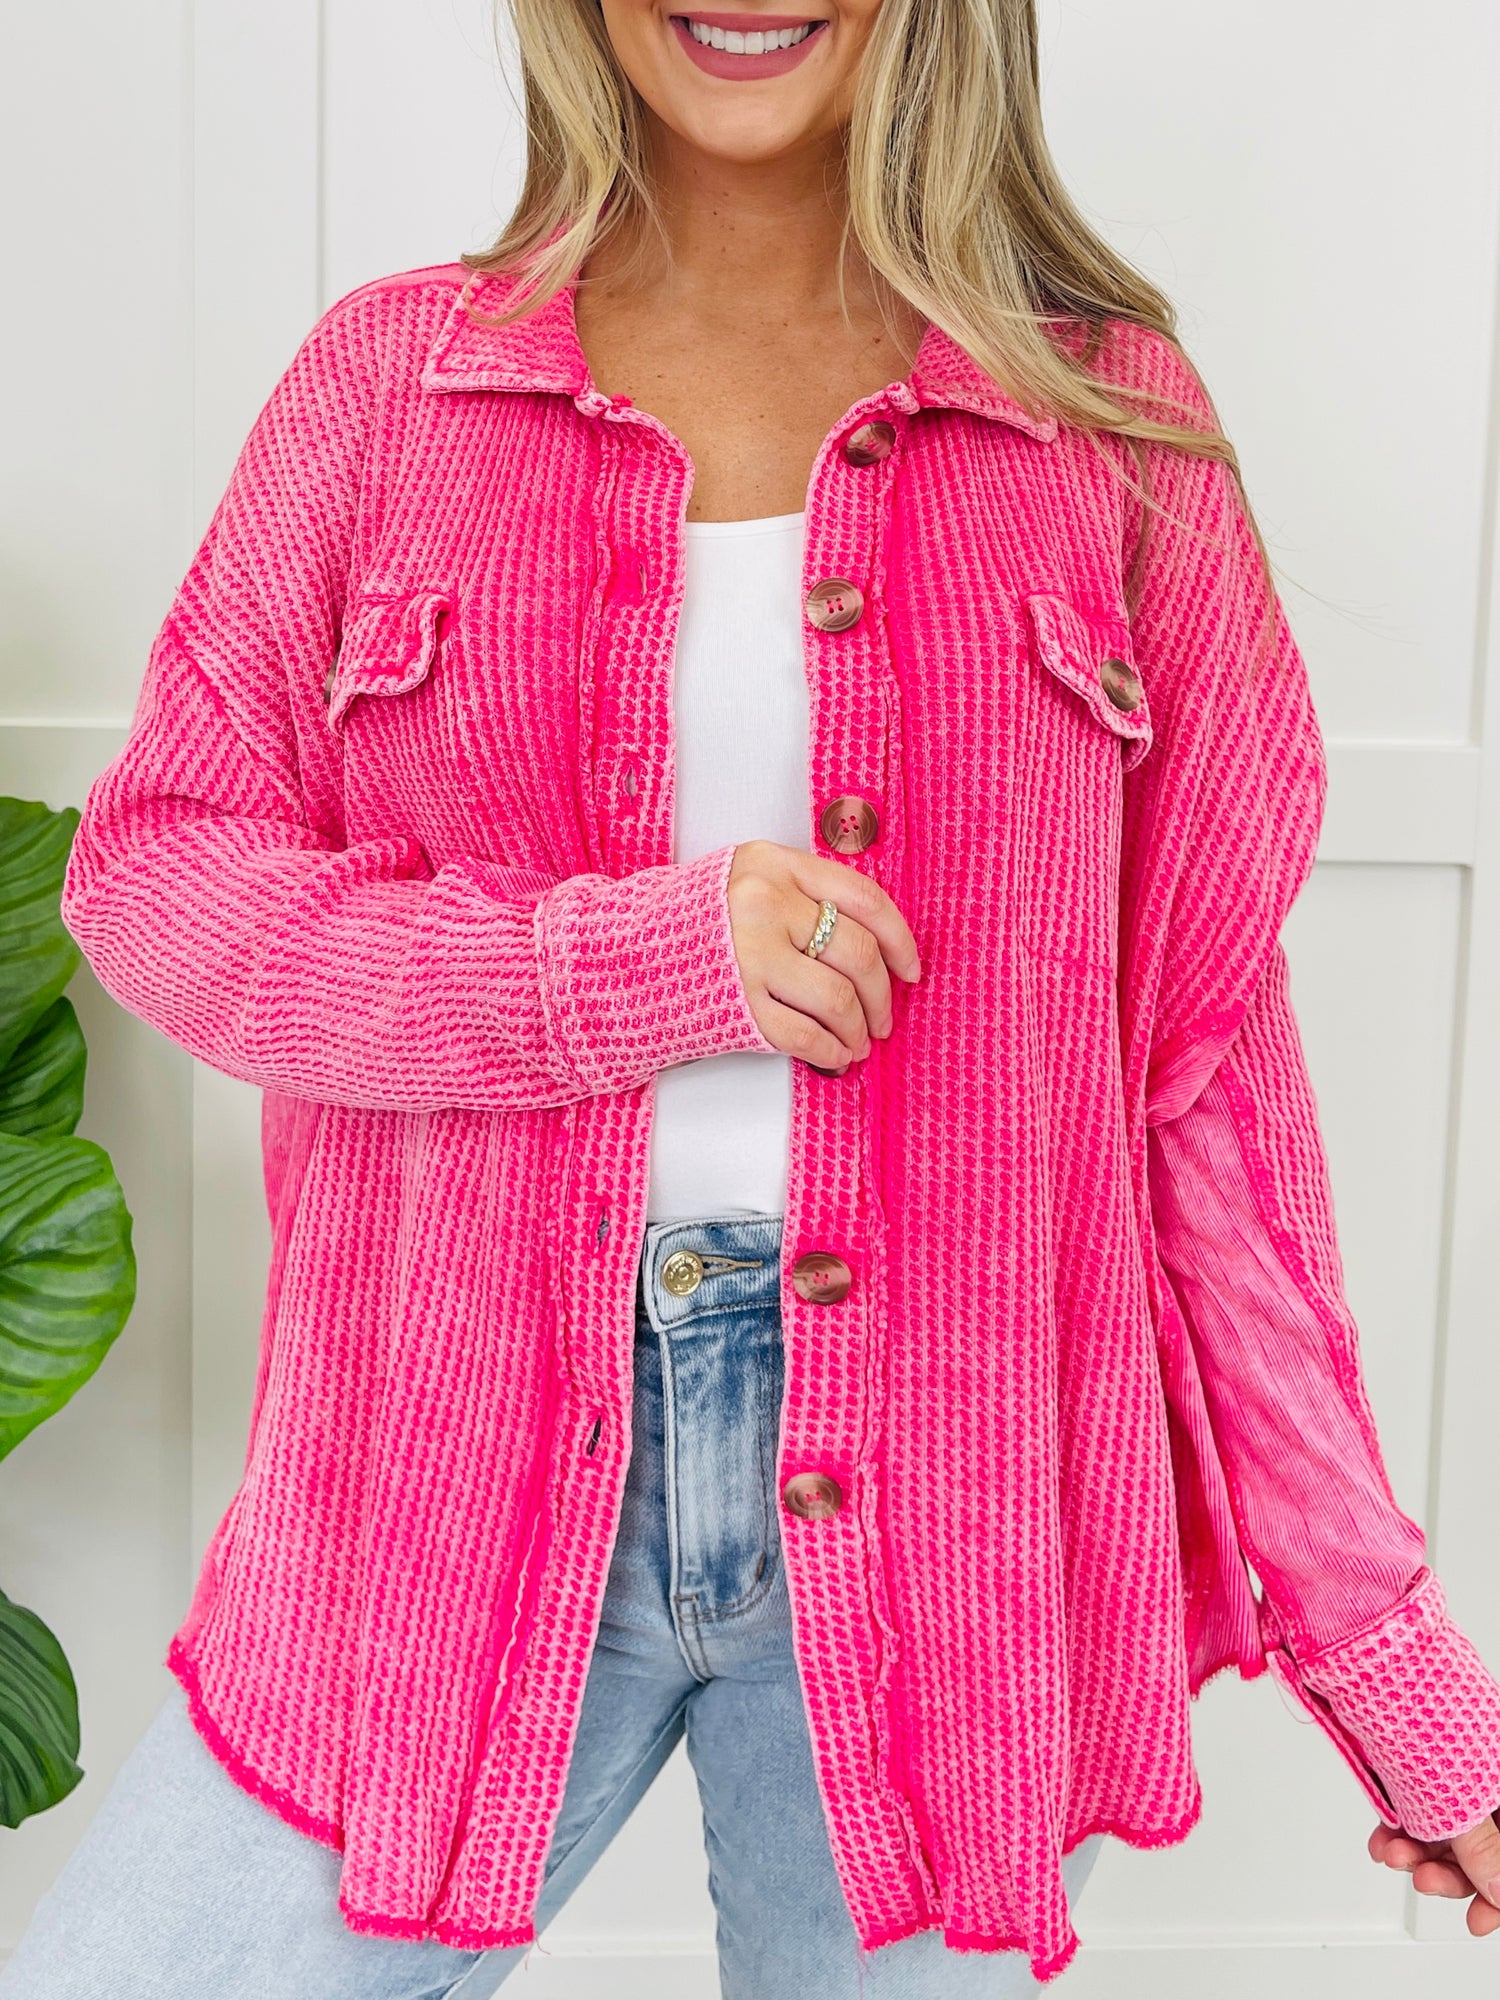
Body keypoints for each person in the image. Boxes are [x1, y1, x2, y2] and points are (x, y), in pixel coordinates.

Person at [8, 1, 1500, 1995]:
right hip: (437, 1481)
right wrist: (627, 965)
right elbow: (162, 878)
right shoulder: (388, 387)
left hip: (952, 1521)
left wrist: (1392, 1665)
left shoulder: (1109, 426)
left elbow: (1202, 1087)